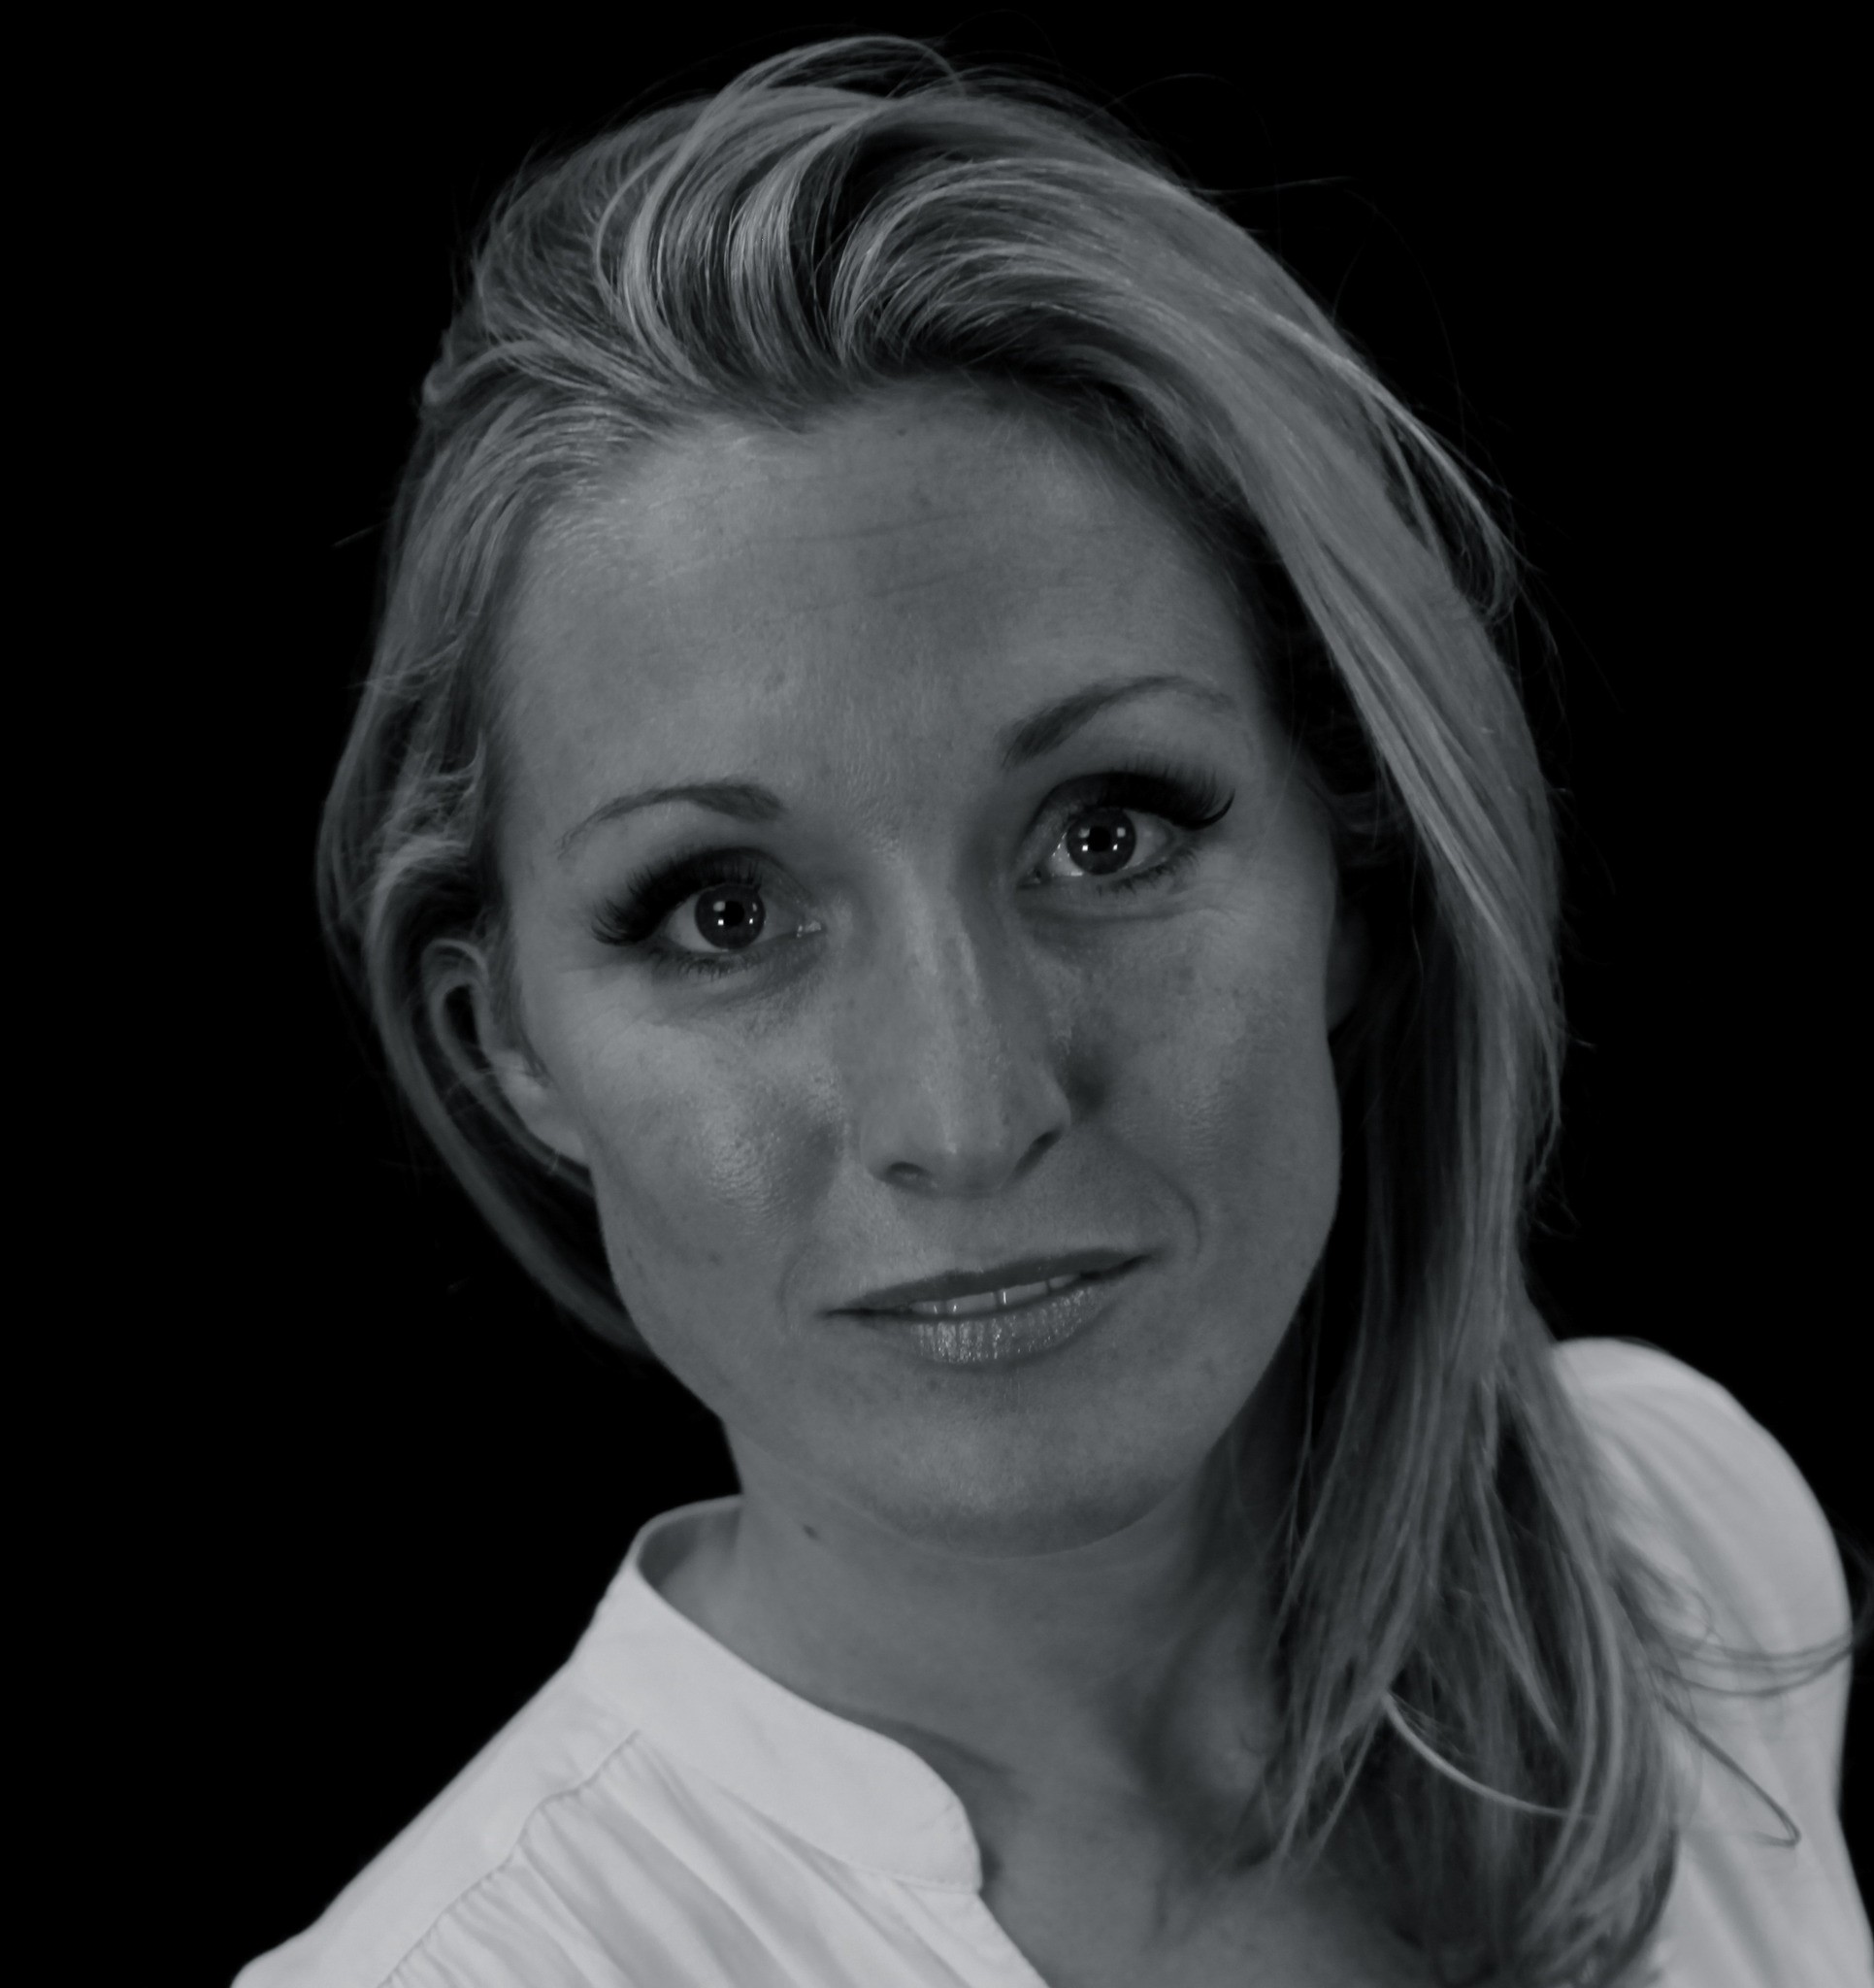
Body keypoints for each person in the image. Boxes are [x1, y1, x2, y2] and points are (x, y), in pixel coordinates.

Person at [236, 36, 1869, 1988]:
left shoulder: (1671, 1539)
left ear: (1359, 878)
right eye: (723, 913)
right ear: (508, 1045)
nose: (968, 1105)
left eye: (1108, 834)